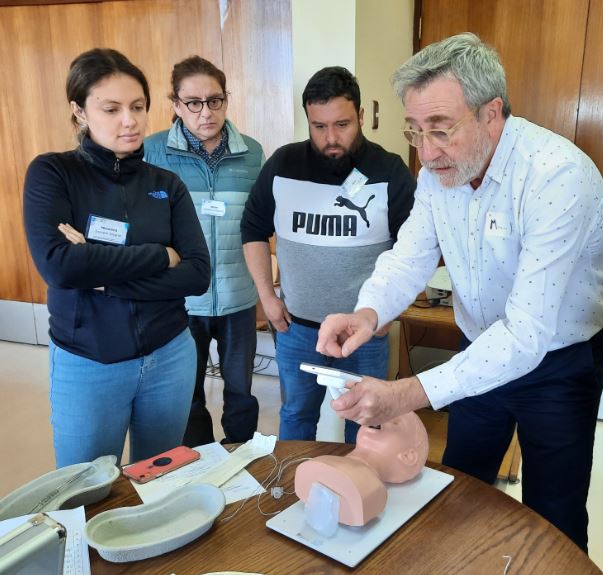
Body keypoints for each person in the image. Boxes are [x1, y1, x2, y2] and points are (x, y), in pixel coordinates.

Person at [316, 33, 603, 551]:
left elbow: (526, 335)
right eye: (415, 132)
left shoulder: (557, 175)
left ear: (491, 113)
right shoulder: (441, 171)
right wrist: (369, 312)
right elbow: (409, 256)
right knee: (461, 485)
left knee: (556, 511)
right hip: (479, 351)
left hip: (558, 362)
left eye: (441, 130)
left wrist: (406, 394)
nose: (427, 152)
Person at [23, 48, 210, 467]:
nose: (130, 120)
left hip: (170, 355)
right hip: (89, 361)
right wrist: (163, 256)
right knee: (86, 490)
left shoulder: (167, 184)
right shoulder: (53, 174)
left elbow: (198, 275)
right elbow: (60, 266)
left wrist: (100, 269)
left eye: (138, 106)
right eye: (111, 108)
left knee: (158, 480)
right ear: (80, 111)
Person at [241, 66, 416, 444]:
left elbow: (413, 251)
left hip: (364, 333)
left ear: (361, 117)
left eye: (342, 124)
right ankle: (294, 492)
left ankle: (360, 496)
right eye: (319, 127)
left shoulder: (389, 171)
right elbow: (252, 229)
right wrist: (267, 297)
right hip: (298, 329)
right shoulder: (282, 165)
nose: (331, 138)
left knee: (367, 424)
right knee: (297, 416)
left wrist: (389, 311)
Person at [145, 56, 264, 447]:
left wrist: (267, 289)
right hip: (181, 301)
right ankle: (201, 467)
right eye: (193, 102)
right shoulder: (153, 152)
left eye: (215, 100)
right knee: (188, 394)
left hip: (238, 298)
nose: (205, 112)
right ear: (176, 105)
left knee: (241, 393)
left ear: (226, 100)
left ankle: (243, 458)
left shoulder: (252, 153)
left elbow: (260, 226)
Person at [294, 411, 429, 526]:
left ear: (408, 456)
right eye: (378, 414)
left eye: (394, 421)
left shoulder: (368, 493)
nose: (377, 420)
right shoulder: (319, 464)